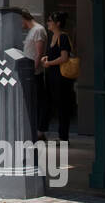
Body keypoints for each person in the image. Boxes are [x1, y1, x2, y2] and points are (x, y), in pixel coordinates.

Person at [40, 11, 74, 143]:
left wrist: (49, 63)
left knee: (62, 106)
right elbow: (55, 55)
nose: (48, 23)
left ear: (57, 23)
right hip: (51, 76)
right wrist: (47, 58)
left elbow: (64, 57)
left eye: (50, 21)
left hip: (61, 77)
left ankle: (63, 137)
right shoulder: (52, 36)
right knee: (50, 103)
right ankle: (44, 132)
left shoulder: (63, 37)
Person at [21, 9, 48, 139]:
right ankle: (36, 128)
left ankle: (40, 130)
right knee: (33, 100)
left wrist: (33, 69)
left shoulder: (38, 30)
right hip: (30, 71)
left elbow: (39, 53)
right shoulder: (32, 31)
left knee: (38, 101)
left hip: (34, 72)